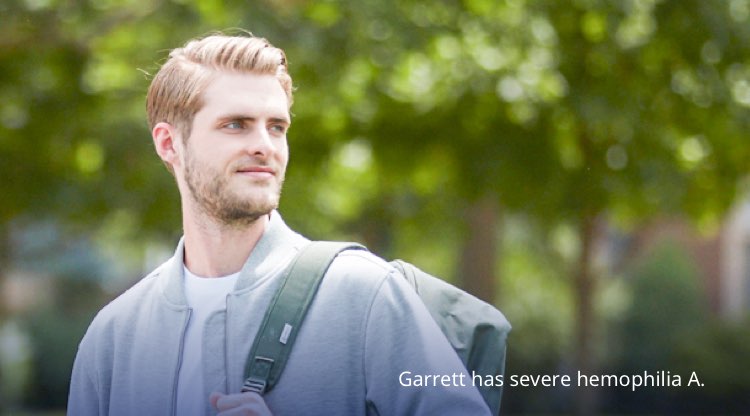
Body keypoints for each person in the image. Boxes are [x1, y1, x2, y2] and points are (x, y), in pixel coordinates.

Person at [67, 31, 492, 416]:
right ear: (168, 143)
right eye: (236, 125)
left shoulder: (367, 296)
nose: (264, 146)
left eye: (276, 127)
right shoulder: (113, 339)